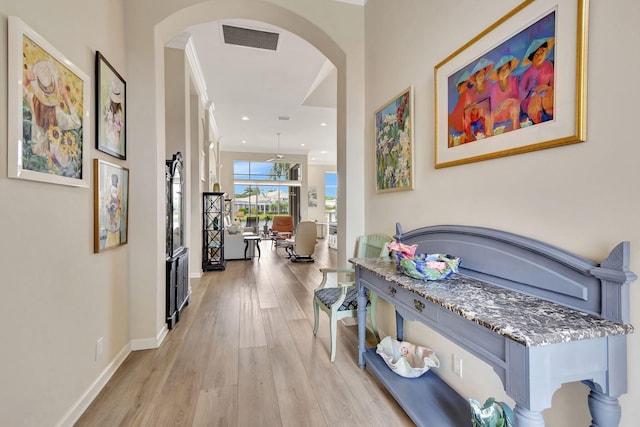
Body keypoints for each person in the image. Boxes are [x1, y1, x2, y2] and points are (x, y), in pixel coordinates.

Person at [22, 60, 81, 165]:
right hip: (54, 160)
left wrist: (26, 81)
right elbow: (76, 122)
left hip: (36, 155)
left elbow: (20, 90)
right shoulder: (57, 112)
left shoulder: (33, 100)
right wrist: (66, 97)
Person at [519, 37, 555, 124]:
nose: (540, 56)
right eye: (537, 55)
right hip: (531, 98)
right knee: (536, 99)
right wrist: (532, 91)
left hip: (547, 93)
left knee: (548, 96)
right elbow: (521, 92)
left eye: (542, 52)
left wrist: (548, 88)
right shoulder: (527, 73)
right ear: (532, 59)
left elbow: (553, 84)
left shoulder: (549, 65)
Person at [488, 55, 521, 133]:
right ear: (498, 73)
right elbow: (494, 108)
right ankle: (489, 136)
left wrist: (507, 102)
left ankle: (516, 130)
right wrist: (500, 107)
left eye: (507, 68)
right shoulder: (494, 88)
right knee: (489, 116)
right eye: (502, 70)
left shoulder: (513, 80)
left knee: (515, 106)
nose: (505, 71)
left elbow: (516, 99)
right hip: (499, 113)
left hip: (512, 110)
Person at [464, 57, 494, 140]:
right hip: (475, 115)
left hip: (488, 113)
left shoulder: (489, 83)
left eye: (483, 74)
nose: (482, 76)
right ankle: (469, 136)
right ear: (475, 76)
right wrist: (473, 107)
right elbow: (467, 108)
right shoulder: (470, 92)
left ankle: (489, 134)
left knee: (487, 113)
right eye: (479, 74)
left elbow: (494, 99)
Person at [448, 70, 472, 146]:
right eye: (465, 86)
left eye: (467, 86)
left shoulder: (466, 95)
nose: (466, 88)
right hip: (456, 130)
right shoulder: (457, 98)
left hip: (463, 130)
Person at [104, 77, 124, 153]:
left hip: (115, 141)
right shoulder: (109, 106)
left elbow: (120, 130)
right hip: (112, 140)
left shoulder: (119, 111)